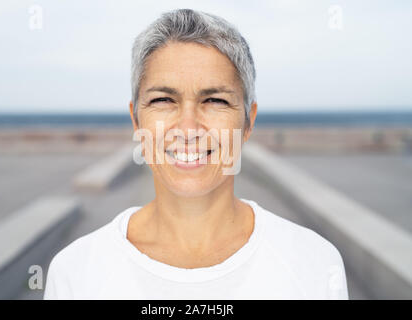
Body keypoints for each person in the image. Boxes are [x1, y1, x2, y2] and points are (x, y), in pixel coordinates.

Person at [44, 8, 348, 300]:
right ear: (137, 120)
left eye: (215, 100)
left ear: (248, 122)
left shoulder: (316, 264)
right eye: (163, 99)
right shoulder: (76, 272)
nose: (188, 128)